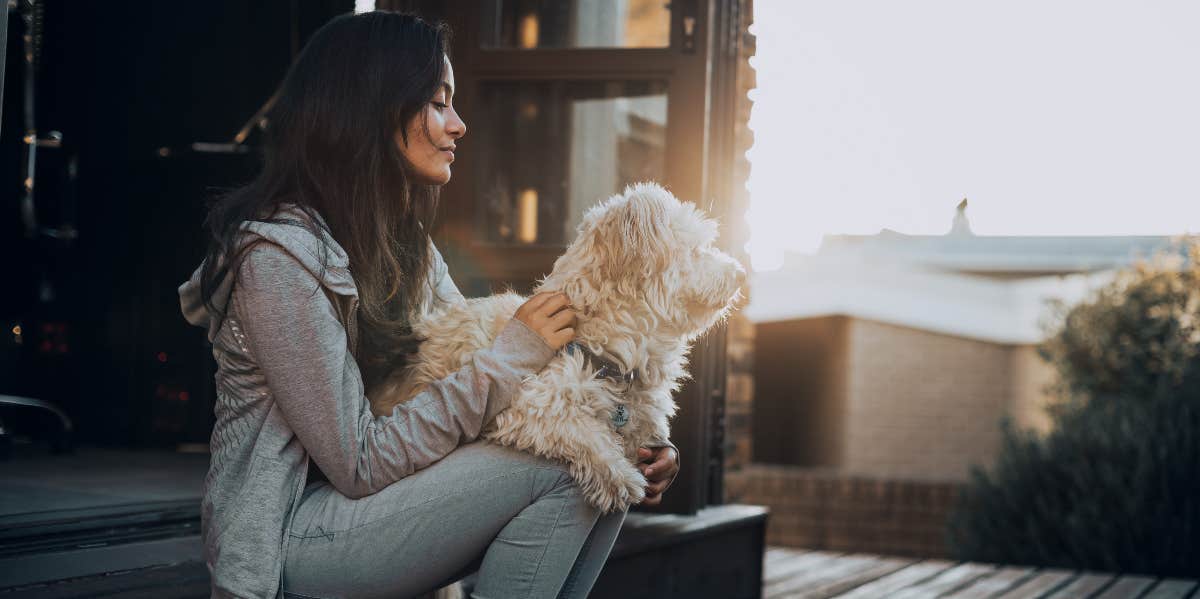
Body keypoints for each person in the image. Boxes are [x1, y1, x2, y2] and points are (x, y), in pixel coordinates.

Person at [177, 11, 679, 599]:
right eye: (438, 103)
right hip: (289, 539)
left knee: (603, 470)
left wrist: (635, 436)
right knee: (574, 468)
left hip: (376, 511)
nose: (459, 125)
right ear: (371, 108)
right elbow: (359, 462)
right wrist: (512, 356)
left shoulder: (405, 248)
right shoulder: (278, 263)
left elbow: (472, 380)